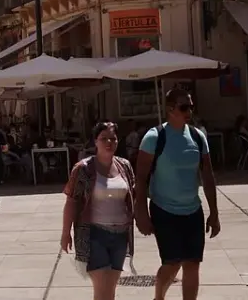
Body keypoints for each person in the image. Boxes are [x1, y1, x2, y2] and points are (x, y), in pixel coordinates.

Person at [135, 88, 220, 300]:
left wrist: (214, 212)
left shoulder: (197, 137)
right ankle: (159, 297)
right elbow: (141, 177)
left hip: (192, 210)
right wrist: (141, 212)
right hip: (164, 210)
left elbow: (207, 176)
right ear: (170, 109)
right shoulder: (154, 138)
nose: (189, 111)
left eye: (191, 107)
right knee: (172, 263)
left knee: (192, 263)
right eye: (184, 107)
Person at [62, 121, 137, 300]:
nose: (109, 142)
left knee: (110, 290)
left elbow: (133, 196)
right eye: (104, 138)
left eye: (113, 138)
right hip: (95, 235)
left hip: (121, 235)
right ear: (95, 141)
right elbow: (71, 202)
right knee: (102, 288)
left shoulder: (125, 166)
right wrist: (66, 232)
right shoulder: (83, 169)